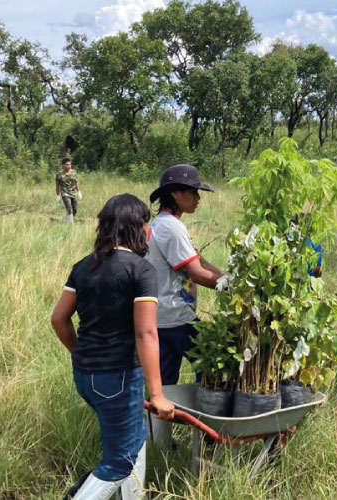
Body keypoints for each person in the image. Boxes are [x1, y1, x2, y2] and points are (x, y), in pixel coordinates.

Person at [50, 194, 175, 500]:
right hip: (118, 379)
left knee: (133, 443)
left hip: (85, 376)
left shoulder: (83, 267)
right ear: (136, 227)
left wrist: (82, 354)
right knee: (120, 461)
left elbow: (58, 319)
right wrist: (157, 394)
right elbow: (146, 333)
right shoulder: (141, 271)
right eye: (145, 224)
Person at [145, 164, 224, 447]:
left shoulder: (162, 225)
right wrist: (233, 287)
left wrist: (227, 276)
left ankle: (159, 442)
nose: (197, 198)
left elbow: (198, 261)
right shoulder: (172, 228)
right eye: (192, 192)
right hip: (177, 316)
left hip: (159, 318)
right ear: (175, 194)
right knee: (215, 365)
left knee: (164, 381)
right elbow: (197, 273)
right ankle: (211, 434)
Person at [55, 158, 81, 223]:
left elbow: (76, 182)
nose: (69, 166)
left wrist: (79, 191)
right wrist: (58, 195)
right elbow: (57, 185)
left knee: (75, 209)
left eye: (70, 164)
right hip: (65, 194)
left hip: (73, 193)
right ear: (63, 165)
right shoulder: (59, 174)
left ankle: (66, 219)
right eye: (67, 164)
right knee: (69, 208)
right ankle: (70, 224)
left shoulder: (74, 172)